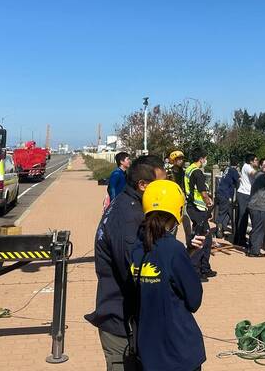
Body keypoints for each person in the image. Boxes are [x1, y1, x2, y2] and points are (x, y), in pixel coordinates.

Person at [86, 155, 167, 370]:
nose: (165, 190)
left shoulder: (125, 204)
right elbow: (137, 275)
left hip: (128, 322)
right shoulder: (129, 218)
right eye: (160, 185)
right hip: (121, 328)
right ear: (142, 185)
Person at [128, 180, 206, 371]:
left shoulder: (135, 248)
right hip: (178, 350)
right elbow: (194, 300)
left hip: (148, 350)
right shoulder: (173, 248)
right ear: (177, 211)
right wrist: (189, 262)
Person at [183, 148, 215, 281]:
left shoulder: (189, 170)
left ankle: (205, 268)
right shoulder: (198, 173)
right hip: (198, 208)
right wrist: (209, 203)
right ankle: (196, 270)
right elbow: (202, 192)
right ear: (201, 159)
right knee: (202, 239)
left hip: (192, 207)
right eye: (205, 158)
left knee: (206, 238)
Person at [233, 153, 258, 247]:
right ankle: (240, 240)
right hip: (244, 195)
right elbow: (255, 174)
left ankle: (238, 238)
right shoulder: (247, 167)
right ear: (251, 161)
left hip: (246, 195)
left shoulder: (247, 167)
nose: (257, 161)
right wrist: (264, 175)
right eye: (256, 160)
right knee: (242, 218)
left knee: (242, 217)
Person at [214, 156, 239, 239]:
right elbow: (238, 182)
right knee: (223, 212)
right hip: (225, 194)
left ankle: (222, 230)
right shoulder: (234, 171)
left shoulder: (227, 169)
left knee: (228, 213)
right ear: (237, 165)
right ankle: (219, 230)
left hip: (220, 192)